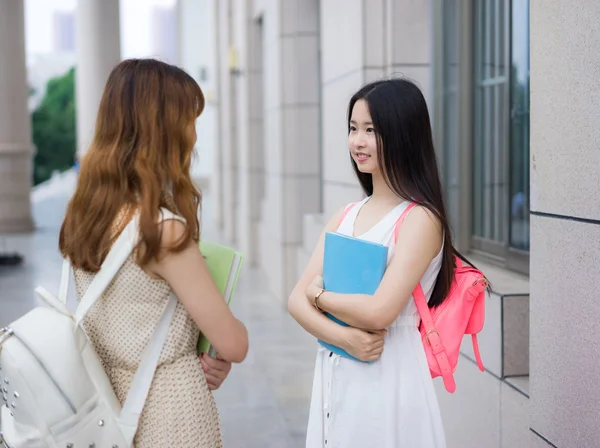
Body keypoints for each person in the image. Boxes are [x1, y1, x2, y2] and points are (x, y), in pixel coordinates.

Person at [59, 58, 248, 447]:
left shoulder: (84, 214)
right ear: (163, 129)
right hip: (169, 413)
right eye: (189, 119)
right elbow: (233, 344)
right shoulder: (160, 230)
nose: (194, 134)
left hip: (102, 407)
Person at [288, 78, 457, 447]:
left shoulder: (420, 219)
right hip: (337, 369)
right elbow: (293, 301)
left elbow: (380, 311)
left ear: (402, 135)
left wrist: (319, 296)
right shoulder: (347, 214)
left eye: (370, 130)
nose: (357, 142)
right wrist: (345, 338)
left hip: (389, 375)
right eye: (353, 129)